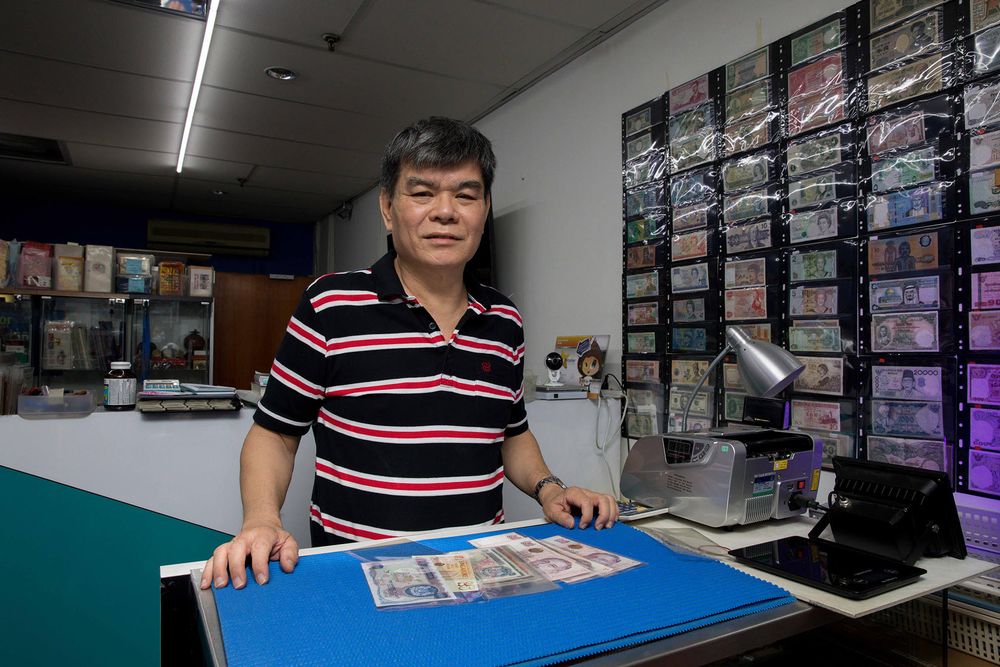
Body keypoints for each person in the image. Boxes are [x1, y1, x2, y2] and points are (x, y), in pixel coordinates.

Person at [201, 117, 618, 591]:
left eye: (465, 195)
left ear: (484, 209)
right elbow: (275, 434)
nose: (445, 212)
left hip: (480, 568)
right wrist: (261, 520)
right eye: (422, 193)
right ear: (387, 208)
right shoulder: (330, 304)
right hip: (357, 574)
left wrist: (550, 489)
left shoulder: (505, 319)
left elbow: (511, 432)